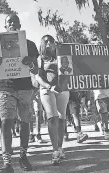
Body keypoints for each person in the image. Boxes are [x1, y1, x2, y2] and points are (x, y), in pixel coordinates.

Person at [0, 14, 39, 173]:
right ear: (5, 26)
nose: (12, 23)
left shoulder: (30, 44)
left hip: (25, 88)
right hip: (6, 88)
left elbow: (36, 70)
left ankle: (23, 156)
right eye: (8, 21)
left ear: (19, 24)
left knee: (25, 122)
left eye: (14, 21)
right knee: (6, 122)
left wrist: (31, 63)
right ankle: (7, 163)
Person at [25, 34, 70, 165]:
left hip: (63, 89)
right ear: (42, 44)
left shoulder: (62, 55)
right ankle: (54, 150)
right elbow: (38, 77)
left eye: (51, 41)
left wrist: (62, 85)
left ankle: (60, 148)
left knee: (62, 118)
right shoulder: (39, 59)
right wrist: (49, 87)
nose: (49, 43)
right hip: (47, 89)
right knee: (52, 117)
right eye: (46, 41)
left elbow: (69, 71)